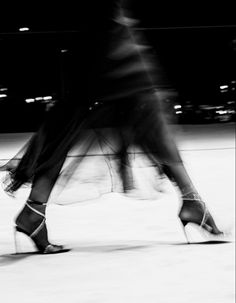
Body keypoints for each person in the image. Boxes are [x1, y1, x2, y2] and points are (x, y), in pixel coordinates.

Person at [0, 0, 225, 253]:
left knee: (74, 115)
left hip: (102, 26)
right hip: (107, 28)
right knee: (141, 105)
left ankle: (34, 212)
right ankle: (192, 202)